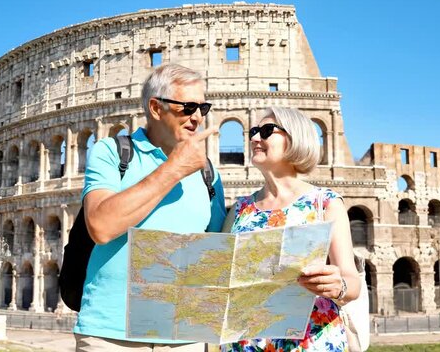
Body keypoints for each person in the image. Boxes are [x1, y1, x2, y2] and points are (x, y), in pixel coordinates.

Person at [73, 64, 226, 351]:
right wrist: (175, 168)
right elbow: (101, 227)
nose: (197, 117)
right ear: (156, 108)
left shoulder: (209, 175)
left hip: (184, 337)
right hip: (112, 335)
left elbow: (217, 251)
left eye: (202, 108)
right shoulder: (112, 152)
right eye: (189, 107)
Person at [220, 107, 361, 352]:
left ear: (295, 138)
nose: (254, 138)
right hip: (247, 342)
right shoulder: (239, 210)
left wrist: (338, 286)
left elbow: (352, 281)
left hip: (311, 341)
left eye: (265, 131)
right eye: (253, 131)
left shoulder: (325, 203)